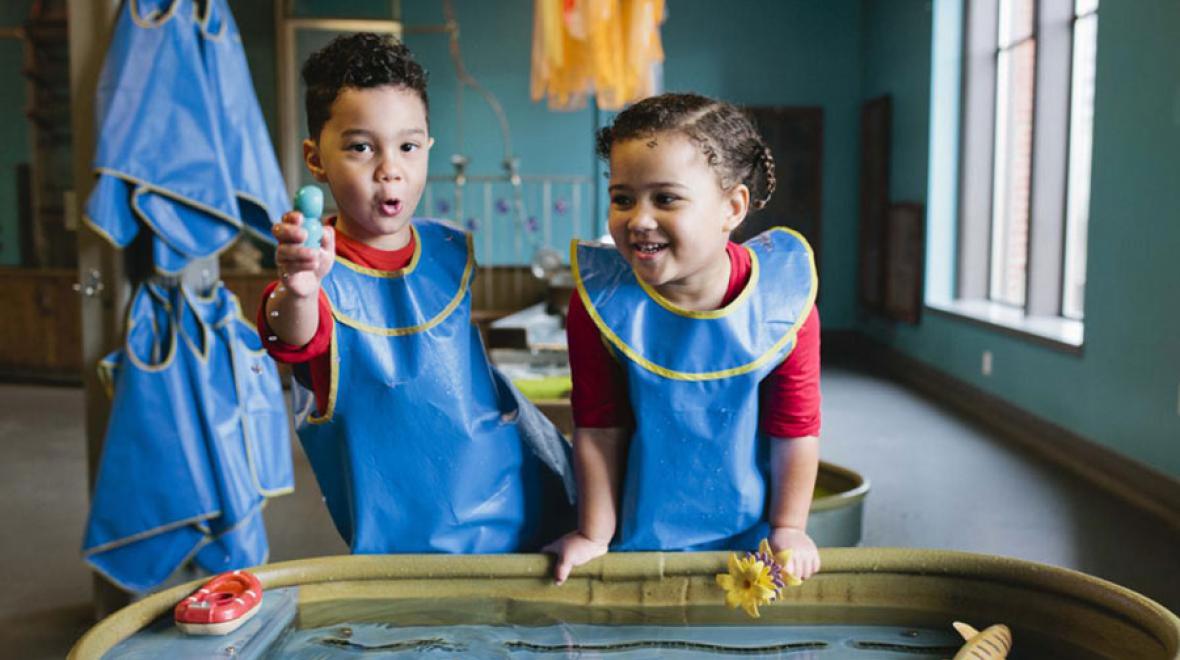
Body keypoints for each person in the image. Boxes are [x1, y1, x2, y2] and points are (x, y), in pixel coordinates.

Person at [257, 32, 573, 554]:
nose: (390, 169)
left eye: (407, 146)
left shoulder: (448, 248)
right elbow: (297, 335)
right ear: (316, 160)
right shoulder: (314, 274)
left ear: (428, 148)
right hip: (409, 547)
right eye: (361, 147)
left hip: (519, 509)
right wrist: (298, 287)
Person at [545, 93, 823, 584]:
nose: (639, 219)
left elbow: (794, 430)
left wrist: (789, 528)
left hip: (748, 535)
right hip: (640, 525)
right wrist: (594, 536)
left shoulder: (784, 303)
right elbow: (599, 428)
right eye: (623, 198)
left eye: (666, 198)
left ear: (732, 207)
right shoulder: (600, 303)